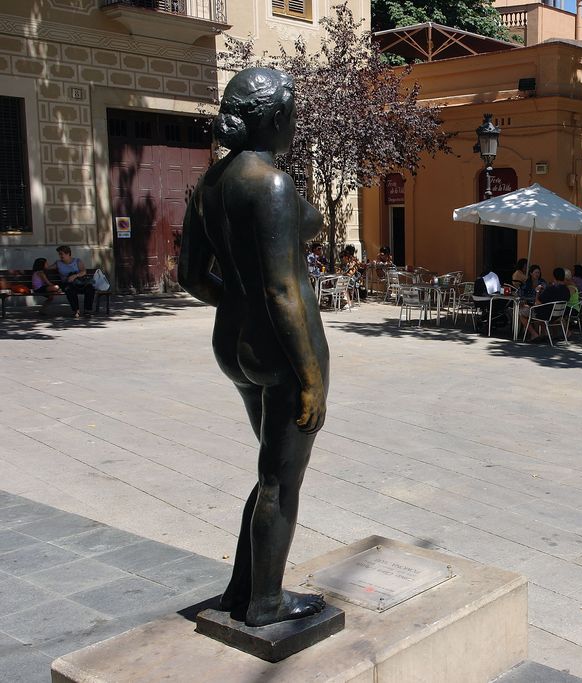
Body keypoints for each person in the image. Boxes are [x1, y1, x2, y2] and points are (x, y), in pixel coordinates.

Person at [179, 67, 328, 628]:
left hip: (233, 348)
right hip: (284, 353)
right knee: (281, 480)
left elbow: (190, 276)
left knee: (269, 469)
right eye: (291, 113)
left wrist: (234, 306)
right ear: (274, 117)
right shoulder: (270, 184)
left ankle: (243, 588)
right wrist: (310, 376)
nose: (295, 123)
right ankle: (266, 602)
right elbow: (282, 289)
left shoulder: (212, 185)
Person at [521, 266, 570, 341]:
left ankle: (534, 334)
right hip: (559, 315)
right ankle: (545, 333)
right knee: (541, 309)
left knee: (522, 313)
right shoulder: (567, 290)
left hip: (546, 315)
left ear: (554, 276)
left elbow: (537, 302)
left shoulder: (551, 289)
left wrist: (537, 291)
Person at [55, 245, 95, 318]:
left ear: (68, 253)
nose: (60, 256)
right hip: (67, 283)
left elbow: (83, 271)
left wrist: (75, 276)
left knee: (90, 288)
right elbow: (47, 267)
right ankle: (76, 311)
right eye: (59, 254)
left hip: (79, 283)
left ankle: (87, 310)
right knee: (69, 290)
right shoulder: (58, 263)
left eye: (61, 254)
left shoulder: (77, 261)